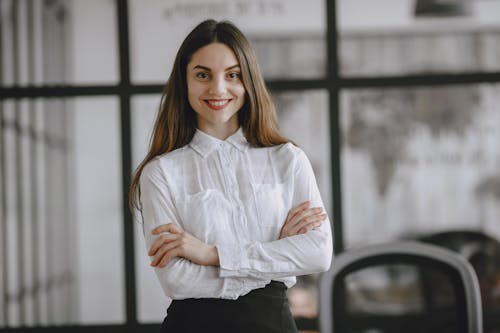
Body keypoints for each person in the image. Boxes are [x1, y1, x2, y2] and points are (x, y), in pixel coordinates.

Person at [129, 19, 333, 333]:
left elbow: (318, 254)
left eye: (233, 75)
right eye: (202, 75)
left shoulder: (288, 160)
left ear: (248, 80)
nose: (218, 88)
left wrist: (210, 254)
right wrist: (278, 256)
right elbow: (177, 281)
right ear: (184, 82)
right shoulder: (160, 173)